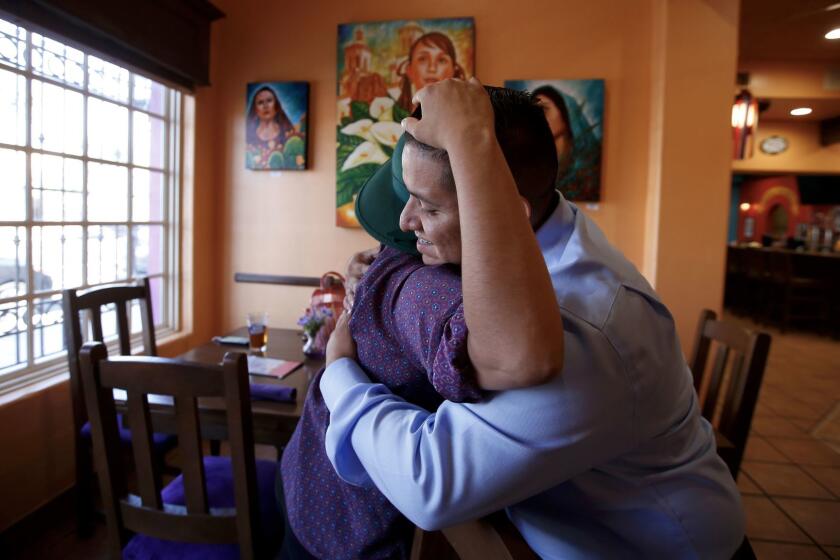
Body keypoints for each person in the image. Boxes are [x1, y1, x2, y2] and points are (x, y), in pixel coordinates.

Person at [321, 79, 746, 559]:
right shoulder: (546, 228)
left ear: (505, 212)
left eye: (430, 206)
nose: (404, 221)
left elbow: (429, 483)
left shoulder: (585, 329)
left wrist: (339, 374)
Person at [278, 87, 564, 559]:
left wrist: (340, 363)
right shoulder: (425, 285)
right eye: (408, 198)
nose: (406, 220)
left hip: (312, 492)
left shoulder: (438, 280)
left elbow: (517, 354)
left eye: (428, 207)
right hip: (340, 527)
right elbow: (519, 358)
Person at [396, 32, 466, 113]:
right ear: (409, 70)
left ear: (454, 70)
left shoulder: (468, 115)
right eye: (423, 59)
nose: (432, 68)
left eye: (441, 60)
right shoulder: (393, 115)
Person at [246, 85, 295, 168]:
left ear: (276, 105)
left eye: (269, 100)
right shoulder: (250, 137)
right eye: (260, 102)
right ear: (255, 110)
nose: (265, 106)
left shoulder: (287, 132)